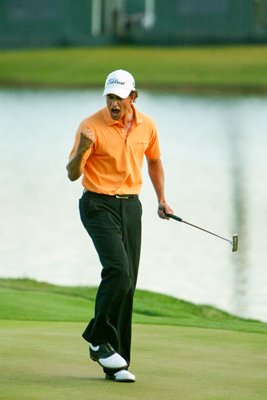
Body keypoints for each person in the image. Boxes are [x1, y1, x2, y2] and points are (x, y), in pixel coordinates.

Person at [66, 69, 173, 383]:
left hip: (131, 206)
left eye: (120, 97)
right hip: (97, 204)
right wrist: (84, 148)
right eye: (110, 97)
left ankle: (117, 362)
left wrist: (162, 199)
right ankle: (98, 338)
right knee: (118, 271)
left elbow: (154, 160)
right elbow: (72, 174)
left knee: (129, 284)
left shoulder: (147, 126)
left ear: (133, 97)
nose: (114, 103)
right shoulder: (90, 126)